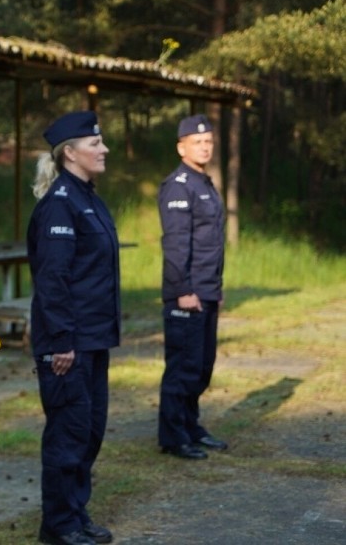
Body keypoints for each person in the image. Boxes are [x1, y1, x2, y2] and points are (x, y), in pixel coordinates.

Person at [27, 110, 120, 545]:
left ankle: (76, 514)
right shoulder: (60, 205)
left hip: (92, 340)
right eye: (95, 144)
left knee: (89, 431)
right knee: (68, 436)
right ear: (70, 153)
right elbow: (53, 280)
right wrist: (60, 340)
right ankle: (59, 526)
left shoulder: (87, 197)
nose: (104, 149)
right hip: (68, 344)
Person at [157, 114, 228, 460]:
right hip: (186, 294)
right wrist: (183, 289)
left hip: (207, 289)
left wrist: (216, 287)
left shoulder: (205, 183)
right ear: (181, 146)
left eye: (209, 142)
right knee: (182, 367)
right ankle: (173, 436)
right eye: (198, 142)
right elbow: (175, 246)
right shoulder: (178, 185)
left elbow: (212, 243)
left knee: (201, 366)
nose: (205, 147)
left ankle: (190, 425)